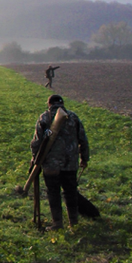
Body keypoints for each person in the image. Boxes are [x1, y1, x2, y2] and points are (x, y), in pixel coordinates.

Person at [29, 94, 89, 231]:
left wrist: (35, 159)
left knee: (53, 192)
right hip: (70, 163)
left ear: (49, 104)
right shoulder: (73, 117)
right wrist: (84, 158)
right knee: (70, 192)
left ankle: (57, 223)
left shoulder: (44, 118)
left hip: (51, 164)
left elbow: (37, 141)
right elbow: (83, 140)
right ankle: (73, 222)